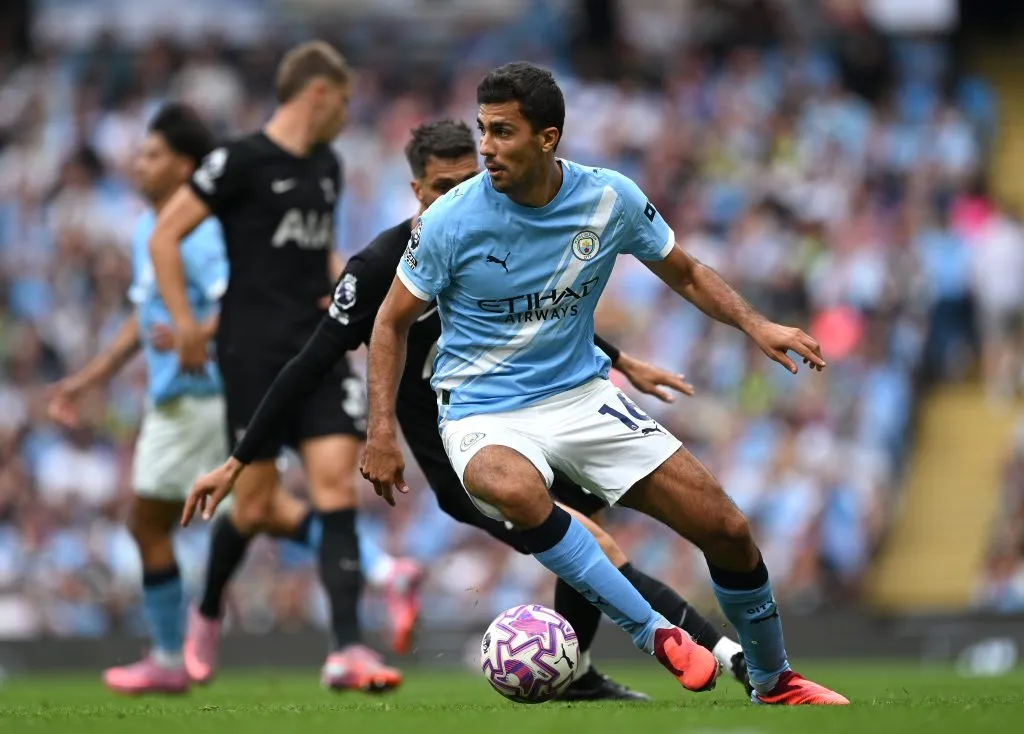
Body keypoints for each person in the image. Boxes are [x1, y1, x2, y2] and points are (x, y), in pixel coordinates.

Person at [184, 119, 753, 701]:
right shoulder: (380, 267)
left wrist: (623, 360)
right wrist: (239, 459)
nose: (455, 197)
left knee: (587, 549)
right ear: (416, 191)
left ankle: (577, 675)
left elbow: (532, 320)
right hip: (464, 458)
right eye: (440, 187)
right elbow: (309, 363)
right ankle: (727, 656)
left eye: (466, 180)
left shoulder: (488, 235)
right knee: (598, 550)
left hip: (529, 427)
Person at [359, 63, 850, 705]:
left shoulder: (607, 199)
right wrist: (380, 433)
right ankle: (655, 635)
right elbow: (390, 323)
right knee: (508, 485)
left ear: (547, 138)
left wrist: (756, 324)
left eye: (502, 131)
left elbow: (686, 272)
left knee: (726, 527)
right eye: (482, 129)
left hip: (583, 400)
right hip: (483, 410)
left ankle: (773, 680)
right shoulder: (450, 220)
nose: (485, 146)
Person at [149, 40, 405, 692]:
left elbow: (318, 250)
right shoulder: (238, 161)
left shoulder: (327, 165)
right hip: (249, 352)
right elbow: (164, 236)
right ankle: (206, 610)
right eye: (343, 101)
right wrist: (184, 325)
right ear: (316, 92)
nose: (347, 115)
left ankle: (348, 647)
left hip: (316, 345)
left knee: (332, 487)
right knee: (257, 505)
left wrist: (351, 289)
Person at [48, 104, 225, 695]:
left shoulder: (198, 229)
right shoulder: (151, 227)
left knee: (151, 522)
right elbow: (141, 316)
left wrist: (195, 332)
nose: (137, 163)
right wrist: (89, 377)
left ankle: (170, 659)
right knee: (248, 513)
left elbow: (242, 300)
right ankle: (381, 571)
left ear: (184, 166)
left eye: (151, 155)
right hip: (184, 395)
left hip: (203, 393)